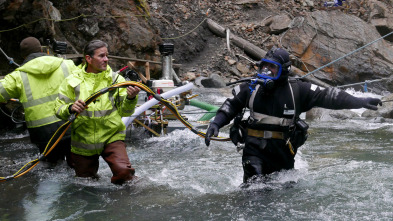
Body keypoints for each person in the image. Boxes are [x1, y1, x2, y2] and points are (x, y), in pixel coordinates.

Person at [205, 47, 382, 184]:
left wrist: (359, 101)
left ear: (284, 70)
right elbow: (231, 105)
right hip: (254, 151)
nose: (266, 71)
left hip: (283, 154)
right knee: (254, 190)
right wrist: (216, 123)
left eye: (272, 67)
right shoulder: (251, 88)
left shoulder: (298, 90)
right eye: (264, 65)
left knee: (283, 194)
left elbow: (329, 97)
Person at [54, 40, 141, 184]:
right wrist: (70, 108)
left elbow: (125, 111)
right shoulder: (71, 81)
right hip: (83, 139)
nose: (106, 59)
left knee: (125, 174)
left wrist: (131, 98)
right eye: (101, 56)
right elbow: (58, 109)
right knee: (85, 183)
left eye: (107, 55)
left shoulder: (116, 80)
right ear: (88, 59)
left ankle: (123, 203)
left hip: (111, 135)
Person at [0, 37, 76, 165]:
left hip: (43, 133)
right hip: (70, 124)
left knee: (53, 168)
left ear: (23, 56)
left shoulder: (18, 76)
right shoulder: (67, 64)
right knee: (76, 165)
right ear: (42, 49)